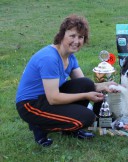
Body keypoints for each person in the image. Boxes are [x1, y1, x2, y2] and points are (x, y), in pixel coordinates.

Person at [16, 14, 117, 147]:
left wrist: (104, 85)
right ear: (62, 35)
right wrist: (87, 95)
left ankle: (70, 129)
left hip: (47, 98)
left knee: (85, 83)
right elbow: (53, 98)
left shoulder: (70, 57)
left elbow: (86, 85)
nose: (77, 41)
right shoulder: (49, 58)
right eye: (72, 35)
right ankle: (39, 125)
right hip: (31, 105)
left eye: (81, 37)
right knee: (87, 117)